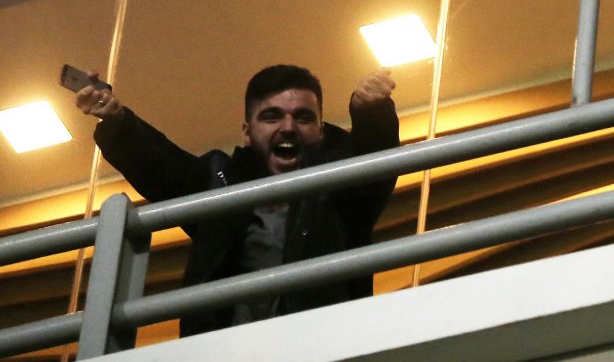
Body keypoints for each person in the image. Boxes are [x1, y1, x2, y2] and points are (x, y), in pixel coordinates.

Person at [75, 64, 399, 335]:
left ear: (321, 130)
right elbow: (161, 165)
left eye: (303, 118)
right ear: (247, 133)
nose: (288, 127)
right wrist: (117, 121)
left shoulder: (342, 188)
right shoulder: (219, 182)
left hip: (326, 346)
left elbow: (374, 171)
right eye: (271, 117)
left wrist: (372, 114)